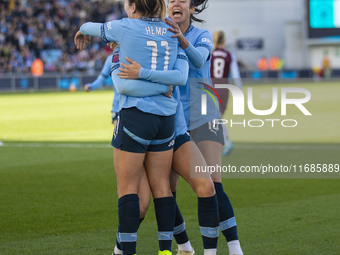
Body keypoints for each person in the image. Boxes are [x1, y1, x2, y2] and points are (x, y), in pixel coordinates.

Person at [74, 1, 189, 255]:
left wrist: (83, 31)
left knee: (128, 191)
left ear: (134, 6)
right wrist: (162, 87)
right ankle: (165, 251)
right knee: (162, 187)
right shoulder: (172, 29)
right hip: (166, 119)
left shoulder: (124, 27)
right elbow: (180, 78)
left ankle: (125, 252)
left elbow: (125, 87)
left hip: (136, 117)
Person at [165, 1, 244, 254]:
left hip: (205, 118)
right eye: (171, 0)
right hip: (174, 121)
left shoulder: (202, 35)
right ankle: (184, 245)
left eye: (182, 0)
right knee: (166, 190)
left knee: (212, 184)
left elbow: (199, 60)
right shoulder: (159, 35)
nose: (175, 3)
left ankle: (234, 248)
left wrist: (181, 40)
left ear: (192, 9)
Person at [211, 30, 243, 156]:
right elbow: (235, 75)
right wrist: (239, 90)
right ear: (224, 41)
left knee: (213, 116)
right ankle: (221, 141)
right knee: (217, 116)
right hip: (224, 88)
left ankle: (226, 141)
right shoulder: (230, 55)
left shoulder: (210, 54)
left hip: (211, 86)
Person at [84, 53, 119, 124]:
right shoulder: (111, 58)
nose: (109, 44)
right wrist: (91, 86)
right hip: (118, 105)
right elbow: (102, 78)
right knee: (118, 134)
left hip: (131, 105)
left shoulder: (132, 54)